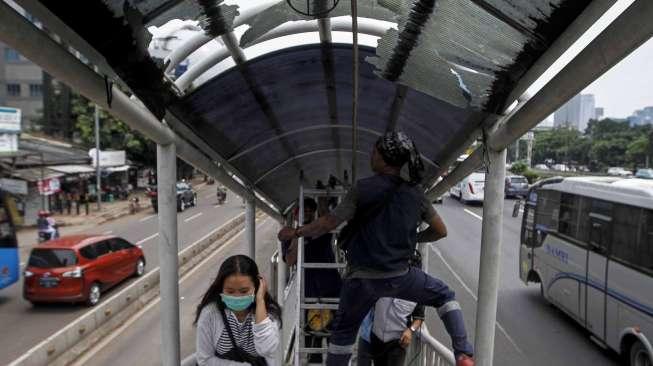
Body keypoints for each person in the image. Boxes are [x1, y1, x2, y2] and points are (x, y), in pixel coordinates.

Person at [278, 131, 474, 366]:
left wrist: (297, 232)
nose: (371, 155)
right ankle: (462, 353)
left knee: (342, 336)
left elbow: (329, 222)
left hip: (361, 279)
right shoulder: (415, 193)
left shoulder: (362, 189)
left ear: (383, 158)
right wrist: (414, 239)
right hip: (401, 277)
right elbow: (440, 231)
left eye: (374, 151)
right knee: (444, 296)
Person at [282, 197, 342, 363]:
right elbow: (290, 260)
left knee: (333, 339)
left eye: (309, 209)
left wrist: (324, 202)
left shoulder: (320, 230)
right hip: (308, 293)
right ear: (295, 215)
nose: (306, 212)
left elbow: (326, 220)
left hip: (331, 289)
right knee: (311, 341)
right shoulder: (289, 235)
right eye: (302, 210)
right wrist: (297, 233)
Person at [195, 255, 282, 366]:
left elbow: (266, 349)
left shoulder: (268, 312)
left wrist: (260, 301)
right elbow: (204, 359)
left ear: (257, 287)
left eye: (244, 291)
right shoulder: (210, 314)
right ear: (221, 288)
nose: (237, 296)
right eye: (230, 291)